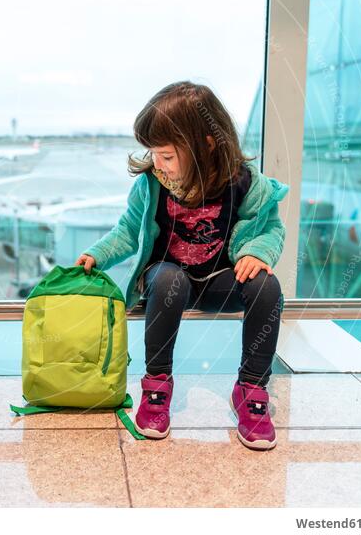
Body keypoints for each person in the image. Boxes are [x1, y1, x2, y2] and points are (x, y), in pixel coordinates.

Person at [75, 81, 289, 450]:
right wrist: (97, 254)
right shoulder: (152, 184)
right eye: (154, 154)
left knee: (267, 287)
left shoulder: (243, 183)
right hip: (170, 282)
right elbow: (128, 230)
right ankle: (157, 386)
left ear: (206, 144)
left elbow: (269, 229)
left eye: (168, 156)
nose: (159, 164)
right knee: (169, 276)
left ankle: (251, 389)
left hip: (222, 279)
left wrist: (257, 253)